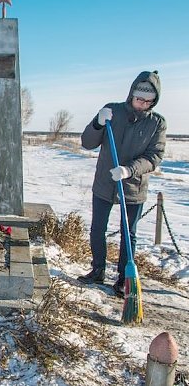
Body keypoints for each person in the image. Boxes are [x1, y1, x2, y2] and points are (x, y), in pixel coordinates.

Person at [77, 70, 166, 297]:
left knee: (129, 233)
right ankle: (97, 270)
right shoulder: (113, 111)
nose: (143, 104)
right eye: (140, 98)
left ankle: (122, 279)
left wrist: (129, 170)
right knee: (98, 228)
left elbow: (154, 157)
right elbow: (87, 143)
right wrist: (97, 123)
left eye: (148, 101)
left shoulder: (157, 123)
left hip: (133, 186)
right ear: (131, 94)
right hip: (105, 182)